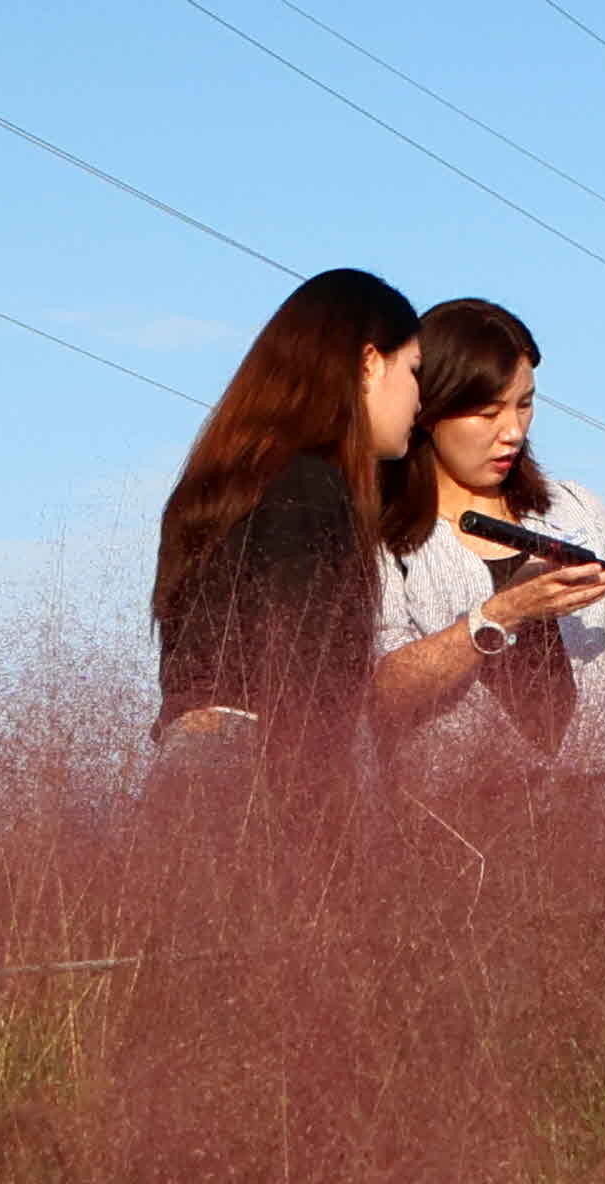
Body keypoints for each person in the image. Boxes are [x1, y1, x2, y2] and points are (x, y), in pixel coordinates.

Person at [373, 298, 605, 845]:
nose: (512, 431)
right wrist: (501, 614)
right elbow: (383, 692)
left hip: (601, 832)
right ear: (429, 409)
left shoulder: (576, 510)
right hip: (451, 840)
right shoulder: (382, 536)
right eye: (488, 413)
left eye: (525, 405)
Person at [145, 268, 420, 847]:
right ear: (369, 364)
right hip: (260, 789)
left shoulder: (222, 485)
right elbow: (304, 681)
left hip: (184, 778)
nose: (420, 400)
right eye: (414, 371)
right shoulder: (310, 487)